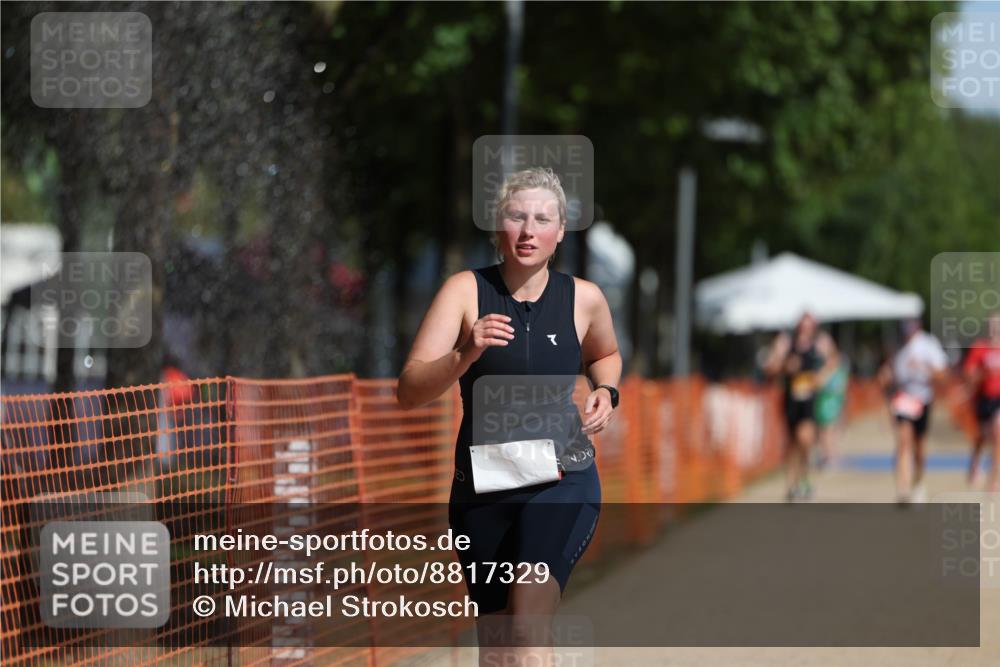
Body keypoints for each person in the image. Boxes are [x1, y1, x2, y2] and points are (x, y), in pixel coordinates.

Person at [397, 167, 622, 664]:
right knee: (498, 649)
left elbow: (605, 354)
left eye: (542, 219)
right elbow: (409, 391)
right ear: (498, 225)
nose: (528, 231)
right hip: (482, 488)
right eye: (517, 217)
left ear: (561, 230)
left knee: (526, 624)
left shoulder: (584, 298)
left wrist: (607, 389)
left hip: (562, 479)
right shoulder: (463, 291)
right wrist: (465, 354)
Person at [763, 312, 839, 502]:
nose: (805, 329)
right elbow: (770, 367)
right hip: (791, 400)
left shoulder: (820, 342)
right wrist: (785, 367)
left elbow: (834, 362)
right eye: (802, 326)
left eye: (809, 326)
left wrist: (821, 378)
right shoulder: (786, 343)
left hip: (810, 401)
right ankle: (792, 484)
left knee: (805, 439)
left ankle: (803, 478)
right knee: (791, 444)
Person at [877, 319, 949, 505]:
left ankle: (918, 482)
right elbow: (888, 373)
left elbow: (943, 374)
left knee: (919, 448)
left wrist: (923, 368)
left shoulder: (928, 344)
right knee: (902, 441)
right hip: (903, 399)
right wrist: (886, 377)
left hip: (923, 399)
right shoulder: (897, 346)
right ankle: (902, 489)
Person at [963, 312, 1000, 492]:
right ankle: (975, 462)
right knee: (982, 437)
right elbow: (969, 373)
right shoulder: (980, 348)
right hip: (983, 398)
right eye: (993, 324)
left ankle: (994, 478)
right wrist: (981, 375)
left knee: (997, 433)